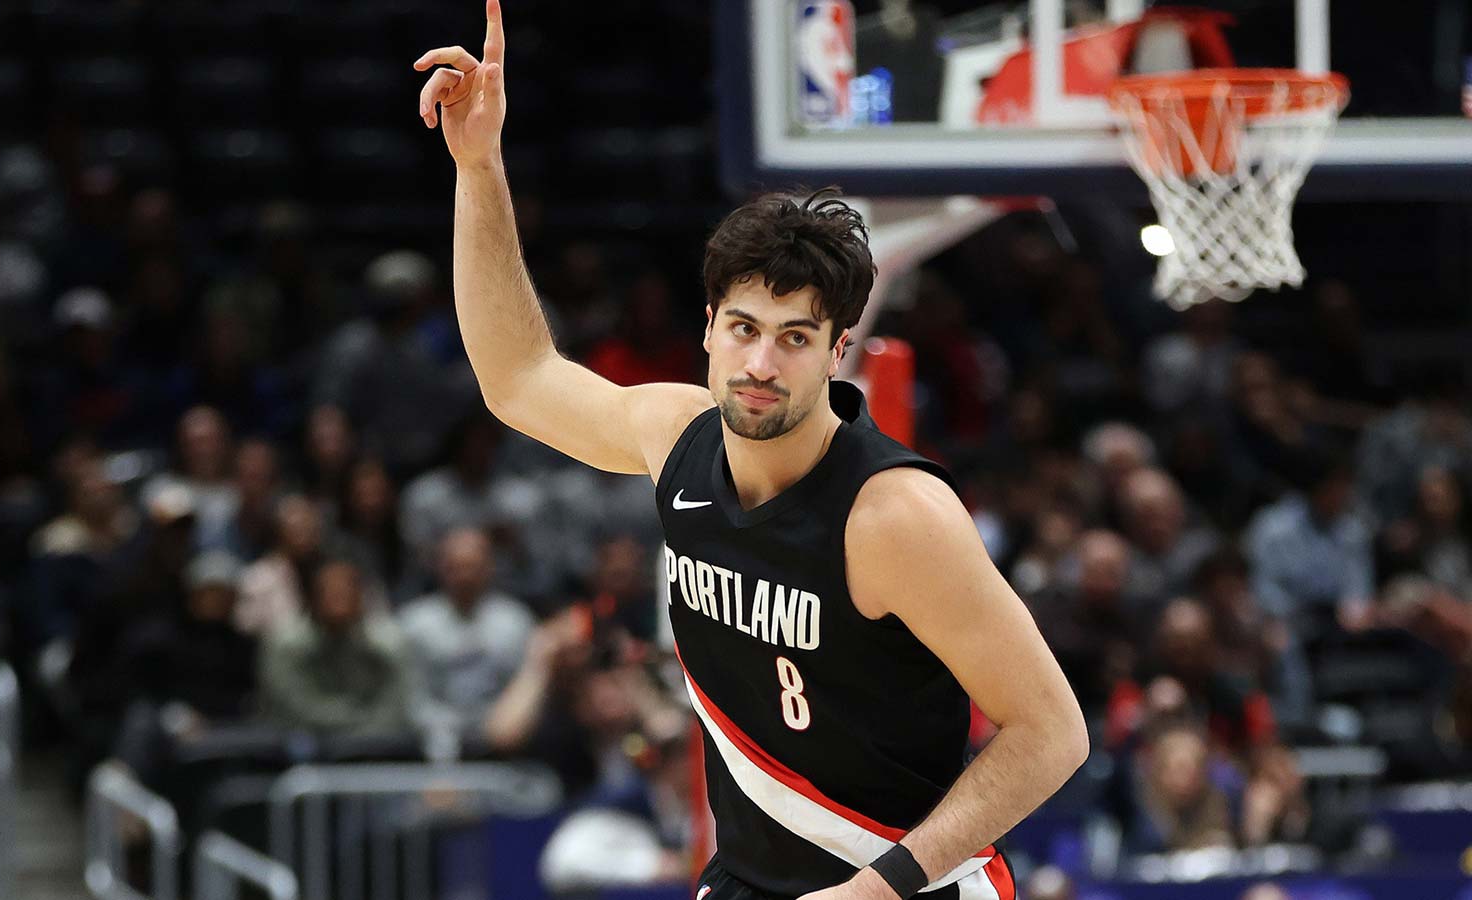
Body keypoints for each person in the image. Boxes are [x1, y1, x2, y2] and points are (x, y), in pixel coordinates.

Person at [414, 5, 1088, 898]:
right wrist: (478, 165)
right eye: (744, 329)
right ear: (708, 330)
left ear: (837, 349)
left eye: (795, 338)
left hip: (907, 887)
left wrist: (880, 887)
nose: (761, 363)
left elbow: (1052, 733)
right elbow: (518, 377)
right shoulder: (675, 437)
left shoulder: (892, 518)